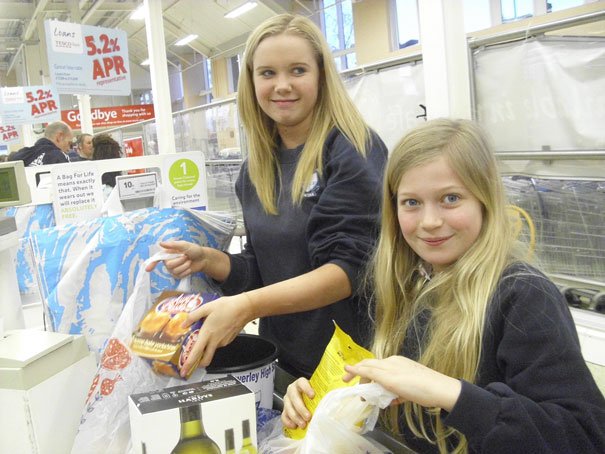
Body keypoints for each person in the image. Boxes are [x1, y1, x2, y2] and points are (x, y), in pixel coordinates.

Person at [282, 119, 605, 453]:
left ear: (485, 201)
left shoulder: (524, 297)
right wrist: (327, 399)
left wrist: (450, 393)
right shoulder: (403, 285)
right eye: (411, 202)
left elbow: (583, 436)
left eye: (450, 198)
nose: (430, 221)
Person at [146, 14, 388, 379]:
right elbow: (264, 271)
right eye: (268, 73)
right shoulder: (255, 170)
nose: (283, 85)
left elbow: (349, 272)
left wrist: (244, 308)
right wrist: (210, 260)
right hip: (288, 365)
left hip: (354, 365)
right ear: (251, 81)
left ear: (321, 76)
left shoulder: (351, 150)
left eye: (298, 70)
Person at [8, 121, 73, 166]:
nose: (69, 149)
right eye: (69, 143)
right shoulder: (59, 156)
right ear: (59, 137)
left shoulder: (22, 155)